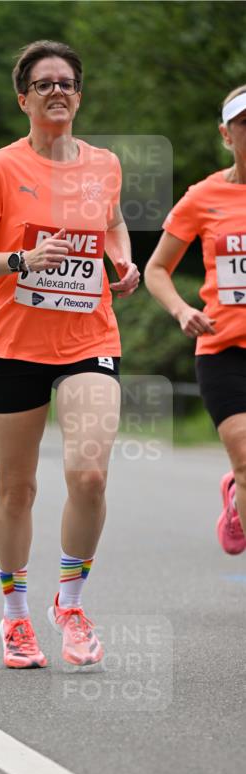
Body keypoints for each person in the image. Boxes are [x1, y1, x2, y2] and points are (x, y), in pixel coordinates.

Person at [0, 40, 139, 669]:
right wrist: (20, 260)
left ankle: (72, 602)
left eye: (67, 82)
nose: (57, 91)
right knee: (18, 489)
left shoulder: (104, 165)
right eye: (43, 83)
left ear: (79, 96)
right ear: (23, 98)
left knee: (89, 474)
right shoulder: (0, 168)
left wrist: (123, 258)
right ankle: (14, 616)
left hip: (89, 336)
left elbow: (110, 221)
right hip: (11, 345)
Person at [145, 85, 246, 555]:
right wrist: (182, 309)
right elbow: (157, 269)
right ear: (226, 135)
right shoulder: (203, 197)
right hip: (223, 349)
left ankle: (234, 498)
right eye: (244, 124)